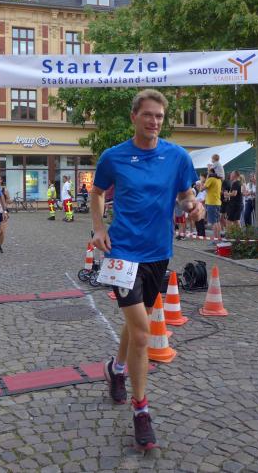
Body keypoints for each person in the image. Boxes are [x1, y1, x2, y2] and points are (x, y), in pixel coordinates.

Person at [91, 89, 203, 450]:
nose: (154, 121)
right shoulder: (113, 156)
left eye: (159, 116)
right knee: (142, 333)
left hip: (158, 252)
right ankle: (141, 410)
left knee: (135, 321)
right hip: (122, 251)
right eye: (148, 115)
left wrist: (193, 206)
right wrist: (99, 228)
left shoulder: (177, 156)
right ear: (134, 117)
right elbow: (97, 192)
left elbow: (186, 195)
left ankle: (116, 369)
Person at [203, 169, 222, 241]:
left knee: (214, 223)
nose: (207, 173)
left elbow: (202, 188)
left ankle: (215, 239)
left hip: (211, 203)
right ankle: (218, 238)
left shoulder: (210, 179)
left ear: (211, 172)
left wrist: (203, 180)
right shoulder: (219, 180)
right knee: (217, 222)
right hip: (217, 202)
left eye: (208, 172)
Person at [0, 174, 9, 253]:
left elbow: (8, 200)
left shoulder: (4, 190)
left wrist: (8, 201)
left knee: (2, 231)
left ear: (1, 181)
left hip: (3, 212)